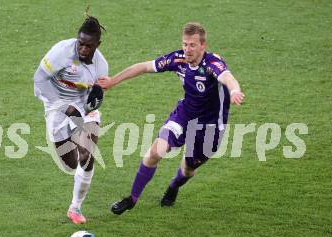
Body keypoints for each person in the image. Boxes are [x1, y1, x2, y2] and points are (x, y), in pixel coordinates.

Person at [98, 22, 245, 215]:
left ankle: (174, 186)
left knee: (188, 168)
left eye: (192, 45)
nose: (187, 49)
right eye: (185, 44)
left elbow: (226, 77)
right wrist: (112, 81)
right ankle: (131, 199)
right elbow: (144, 66)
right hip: (184, 115)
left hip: (210, 127)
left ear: (203, 46)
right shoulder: (177, 59)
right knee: (154, 152)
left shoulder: (212, 64)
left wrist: (235, 90)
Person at [33, 14, 108, 224]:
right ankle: (74, 163)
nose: (83, 49)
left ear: (98, 45)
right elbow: (39, 81)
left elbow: (97, 95)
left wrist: (97, 95)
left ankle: (75, 207)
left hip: (82, 108)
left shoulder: (101, 66)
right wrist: (64, 107)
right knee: (70, 164)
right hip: (55, 105)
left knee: (87, 153)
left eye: (88, 46)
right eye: (80, 43)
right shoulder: (61, 52)